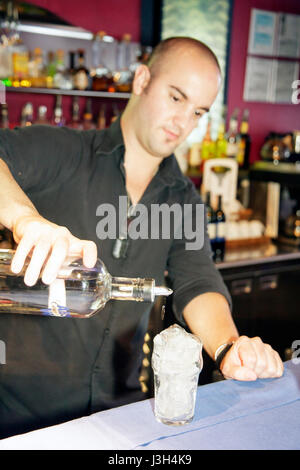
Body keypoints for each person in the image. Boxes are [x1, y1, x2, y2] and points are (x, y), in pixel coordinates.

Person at [0, 37, 283, 439]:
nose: (183, 122)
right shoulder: (65, 152)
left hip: (121, 421)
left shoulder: (181, 198)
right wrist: (26, 220)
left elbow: (197, 280)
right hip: (22, 421)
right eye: (176, 97)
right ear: (143, 79)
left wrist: (228, 347)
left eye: (198, 111)